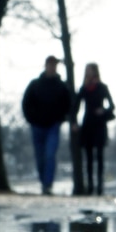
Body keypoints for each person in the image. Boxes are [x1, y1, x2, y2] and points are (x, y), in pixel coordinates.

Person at [22, 56, 71, 195]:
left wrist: (62, 118)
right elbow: (26, 102)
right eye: (50, 65)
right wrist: (30, 118)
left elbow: (68, 104)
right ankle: (43, 181)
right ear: (45, 66)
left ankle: (48, 184)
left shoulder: (62, 86)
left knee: (50, 154)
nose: (52, 67)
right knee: (40, 156)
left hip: (53, 126)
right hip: (37, 126)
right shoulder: (35, 84)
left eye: (54, 65)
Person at [74, 63, 115, 195]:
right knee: (89, 156)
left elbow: (112, 105)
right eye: (86, 71)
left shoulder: (102, 88)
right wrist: (74, 122)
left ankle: (100, 185)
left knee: (100, 155)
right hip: (87, 124)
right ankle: (90, 185)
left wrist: (103, 110)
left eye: (90, 70)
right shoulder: (84, 88)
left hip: (99, 124)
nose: (88, 73)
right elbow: (76, 106)